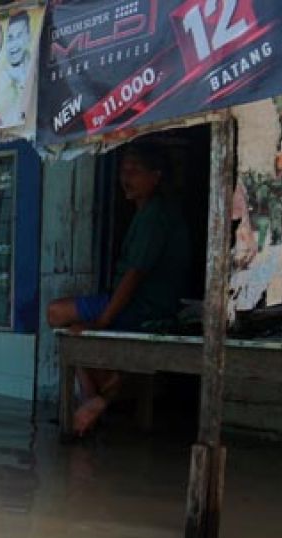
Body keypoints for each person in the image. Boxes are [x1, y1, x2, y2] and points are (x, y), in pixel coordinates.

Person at [47, 144, 191, 435]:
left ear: (156, 176)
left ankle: (98, 396)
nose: (126, 177)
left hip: (145, 307)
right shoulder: (149, 212)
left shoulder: (155, 215)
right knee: (74, 329)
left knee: (56, 313)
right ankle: (98, 394)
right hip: (143, 304)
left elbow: (134, 274)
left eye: (134, 170)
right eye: (123, 170)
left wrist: (102, 321)